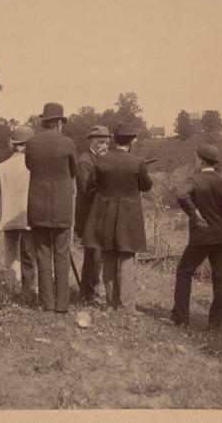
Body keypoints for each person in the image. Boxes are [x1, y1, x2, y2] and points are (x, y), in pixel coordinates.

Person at [170, 144, 222, 330]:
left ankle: (181, 319)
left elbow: (181, 195)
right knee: (220, 278)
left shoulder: (194, 180)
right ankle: (216, 323)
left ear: (201, 160)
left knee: (184, 272)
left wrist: (194, 212)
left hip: (202, 237)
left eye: (197, 158)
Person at [81, 122, 152, 315]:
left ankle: (111, 304)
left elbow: (89, 187)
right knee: (127, 260)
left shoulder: (101, 161)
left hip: (105, 216)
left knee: (109, 258)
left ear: (114, 140)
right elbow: (146, 186)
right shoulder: (136, 162)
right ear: (131, 141)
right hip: (129, 218)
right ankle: (128, 306)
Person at [25, 102, 77, 313]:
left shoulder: (32, 143)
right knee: (62, 254)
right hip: (62, 205)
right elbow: (73, 170)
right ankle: (62, 304)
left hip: (38, 205)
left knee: (43, 253)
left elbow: (29, 166)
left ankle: (47, 303)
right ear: (57, 123)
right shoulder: (68, 143)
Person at [0, 125, 37, 305]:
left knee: (11, 252)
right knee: (29, 254)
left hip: (9, 216)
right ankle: (29, 289)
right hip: (28, 216)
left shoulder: (1, 167)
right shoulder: (33, 167)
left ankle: (12, 287)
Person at [75, 125, 111, 302]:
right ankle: (88, 293)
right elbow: (87, 190)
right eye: (100, 142)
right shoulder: (84, 161)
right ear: (91, 141)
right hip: (89, 216)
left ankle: (92, 289)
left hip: (100, 216)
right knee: (93, 256)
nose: (104, 146)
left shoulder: (102, 160)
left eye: (106, 142)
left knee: (98, 256)